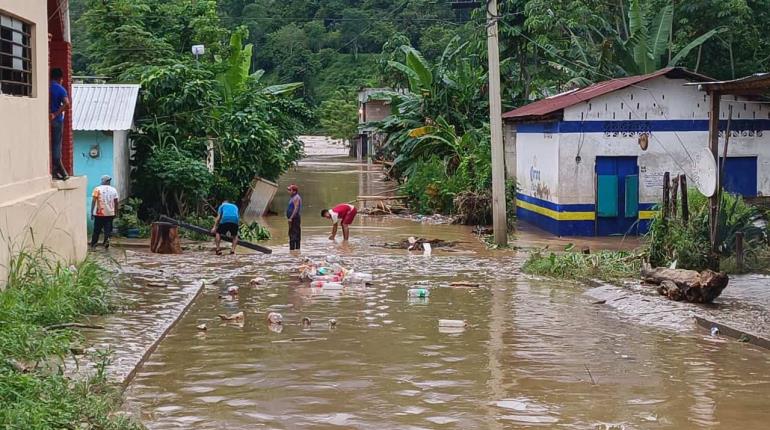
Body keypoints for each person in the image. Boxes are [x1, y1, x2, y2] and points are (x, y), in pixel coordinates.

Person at [50, 68, 70, 180]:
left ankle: (56, 171)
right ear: (60, 78)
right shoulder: (60, 89)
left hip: (47, 120)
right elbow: (67, 104)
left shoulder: (47, 87)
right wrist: (56, 114)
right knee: (57, 145)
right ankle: (61, 171)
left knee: (51, 145)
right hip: (56, 121)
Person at [90, 175, 119, 250]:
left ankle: (93, 245)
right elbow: (116, 202)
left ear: (102, 181)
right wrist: (116, 212)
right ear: (108, 181)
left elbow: (93, 201)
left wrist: (92, 212)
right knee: (108, 230)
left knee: (96, 230)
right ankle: (106, 245)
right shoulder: (113, 190)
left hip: (99, 213)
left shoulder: (97, 189)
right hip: (110, 213)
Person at [286, 184, 302, 250]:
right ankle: (296, 251)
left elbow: (296, 208)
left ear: (294, 191)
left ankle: (293, 251)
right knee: (294, 234)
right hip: (293, 218)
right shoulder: (293, 197)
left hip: (294, 219)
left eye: (290, 190)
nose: (288, 191)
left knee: (293, 235)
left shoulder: (296, 198)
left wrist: (291, 218)